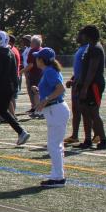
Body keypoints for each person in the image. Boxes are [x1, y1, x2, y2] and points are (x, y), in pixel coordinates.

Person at [0, 31, 30, 149]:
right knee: (3, 111)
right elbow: (14, 72)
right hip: (8, 87)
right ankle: (21, 132)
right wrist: (14, 87)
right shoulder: (10, 52)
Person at [31, 48, 69, 187]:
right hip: (55, 109)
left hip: (55, 109)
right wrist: (39, 92)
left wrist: (46, 99)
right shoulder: (49, 70)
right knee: (56, 145)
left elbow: (60, 89)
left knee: (54, 145)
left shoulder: (49, 71)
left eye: (37, 57)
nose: (36, 60)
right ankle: (58, 175)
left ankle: (58, 177)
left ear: (42, 60)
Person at [75, 25, 106, 150]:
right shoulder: (90, 47)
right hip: (87, 84)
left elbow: (92, 70)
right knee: (85, 111)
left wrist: (85, 87)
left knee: (93, 112)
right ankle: (88, 140)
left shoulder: (95, 48)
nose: (81, 36)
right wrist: (77, 81)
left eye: (83, 34)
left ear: (87, 35)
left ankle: (104, 141)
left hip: (93, 85)